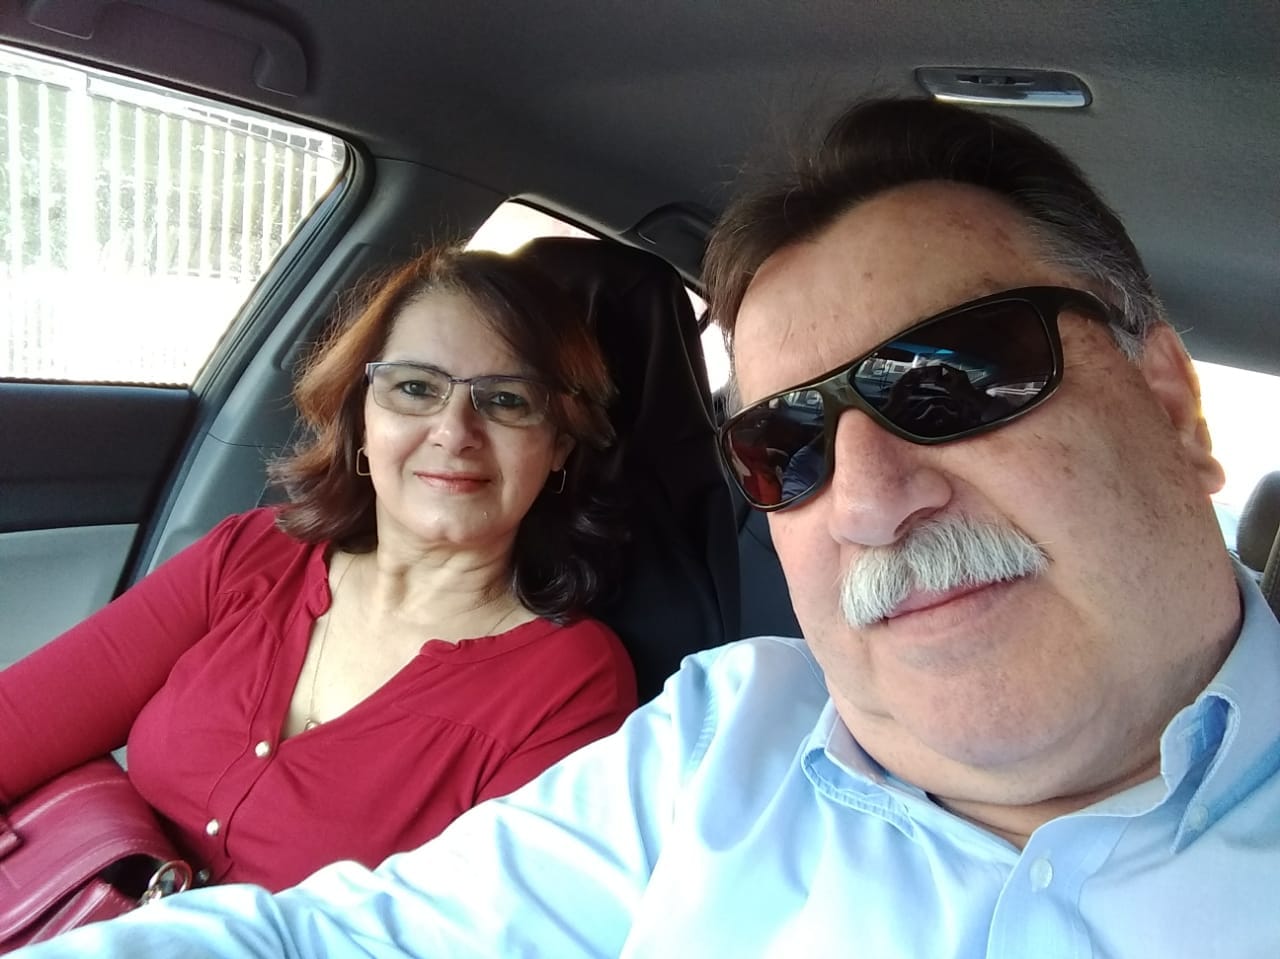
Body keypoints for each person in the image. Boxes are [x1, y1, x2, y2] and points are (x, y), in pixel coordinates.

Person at [15, 97, 1280, 957]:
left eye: (945, 380)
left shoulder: (578, 682)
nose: (866, 497)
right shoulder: (719, 738)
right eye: (783, 444)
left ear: (1170, 401)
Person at [0, 246, 637, 894]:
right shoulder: (253, 554)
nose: (454, 431)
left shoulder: (570, 685)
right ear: (363, 414)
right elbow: (15, 726)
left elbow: (480, 929)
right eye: (415, 388)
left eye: (505, 400)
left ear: (559, 444)